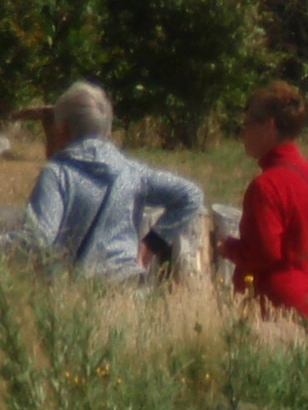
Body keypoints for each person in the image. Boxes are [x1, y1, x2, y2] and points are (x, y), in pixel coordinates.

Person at [16, 80, 206, 280]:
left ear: (62, 130)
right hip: (129, 292)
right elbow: (191, 194)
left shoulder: (58, 174)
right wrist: (151, 245)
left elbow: (37, 240)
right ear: (107, 131)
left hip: (73, 296)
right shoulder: (133, 172)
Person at [215, 80, 308, 323]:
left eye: (247, 125)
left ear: (269, 127)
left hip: (275, 308)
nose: (243, 134)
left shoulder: (266, 186)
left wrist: (228, 248)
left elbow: (264, 254)